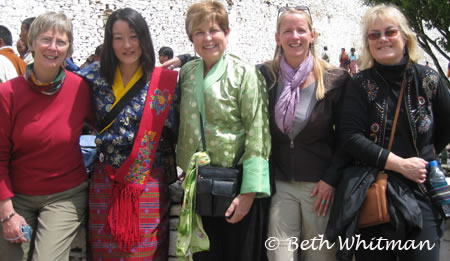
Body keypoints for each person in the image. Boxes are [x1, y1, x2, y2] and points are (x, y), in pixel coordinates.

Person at [332, 4, 450, 261]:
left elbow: (445, 128)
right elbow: (351, 137)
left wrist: (424, 155)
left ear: (405, 37)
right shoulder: (359, 85)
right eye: (374, 35)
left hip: (420, 190)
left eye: (390, 32)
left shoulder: (429, 80)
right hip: (375, 191)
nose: (383, 39)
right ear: (368, 43)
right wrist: (400, 164)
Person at [78, 7, 178, 260]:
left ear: (144, 39)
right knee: (104, 251)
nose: (127, 45)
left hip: (148, 181)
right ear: (109, 41)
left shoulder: (165, 83)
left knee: (143, 252)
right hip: (106, 180)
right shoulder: (92, 78)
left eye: (133, 36)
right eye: (118, 37)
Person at [175, 1, 271, 261]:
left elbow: (257, 134)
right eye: (199, 32)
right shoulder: (187, 73)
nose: (208, 38)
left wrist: (249, 193)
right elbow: (186, 126)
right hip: (199, 185)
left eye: (214, 30)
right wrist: (185, 167)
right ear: (191, 38)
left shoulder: (245, 74)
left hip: (235, 186)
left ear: (227, 33)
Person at [258, 6, 349, 261]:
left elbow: (347, 138)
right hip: (281, 185)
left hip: (319, 189)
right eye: (287, 31)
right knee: (279, 255)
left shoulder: (335, 79)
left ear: (312, 35)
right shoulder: (266, 76)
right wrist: (187, 61)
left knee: (321, 256)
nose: (294, 36)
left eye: (301, 30)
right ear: (278, 38)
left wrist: (331, 179)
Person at [0, 11, 94, 260]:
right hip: (17, 196)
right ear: (31, 43)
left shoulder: (80, 89)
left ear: (68, 49)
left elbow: (109, 125)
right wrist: (7, 212)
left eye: (61, 42)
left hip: (66, 195)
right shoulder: (8, 94)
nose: (53, 48)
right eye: (45, 40)